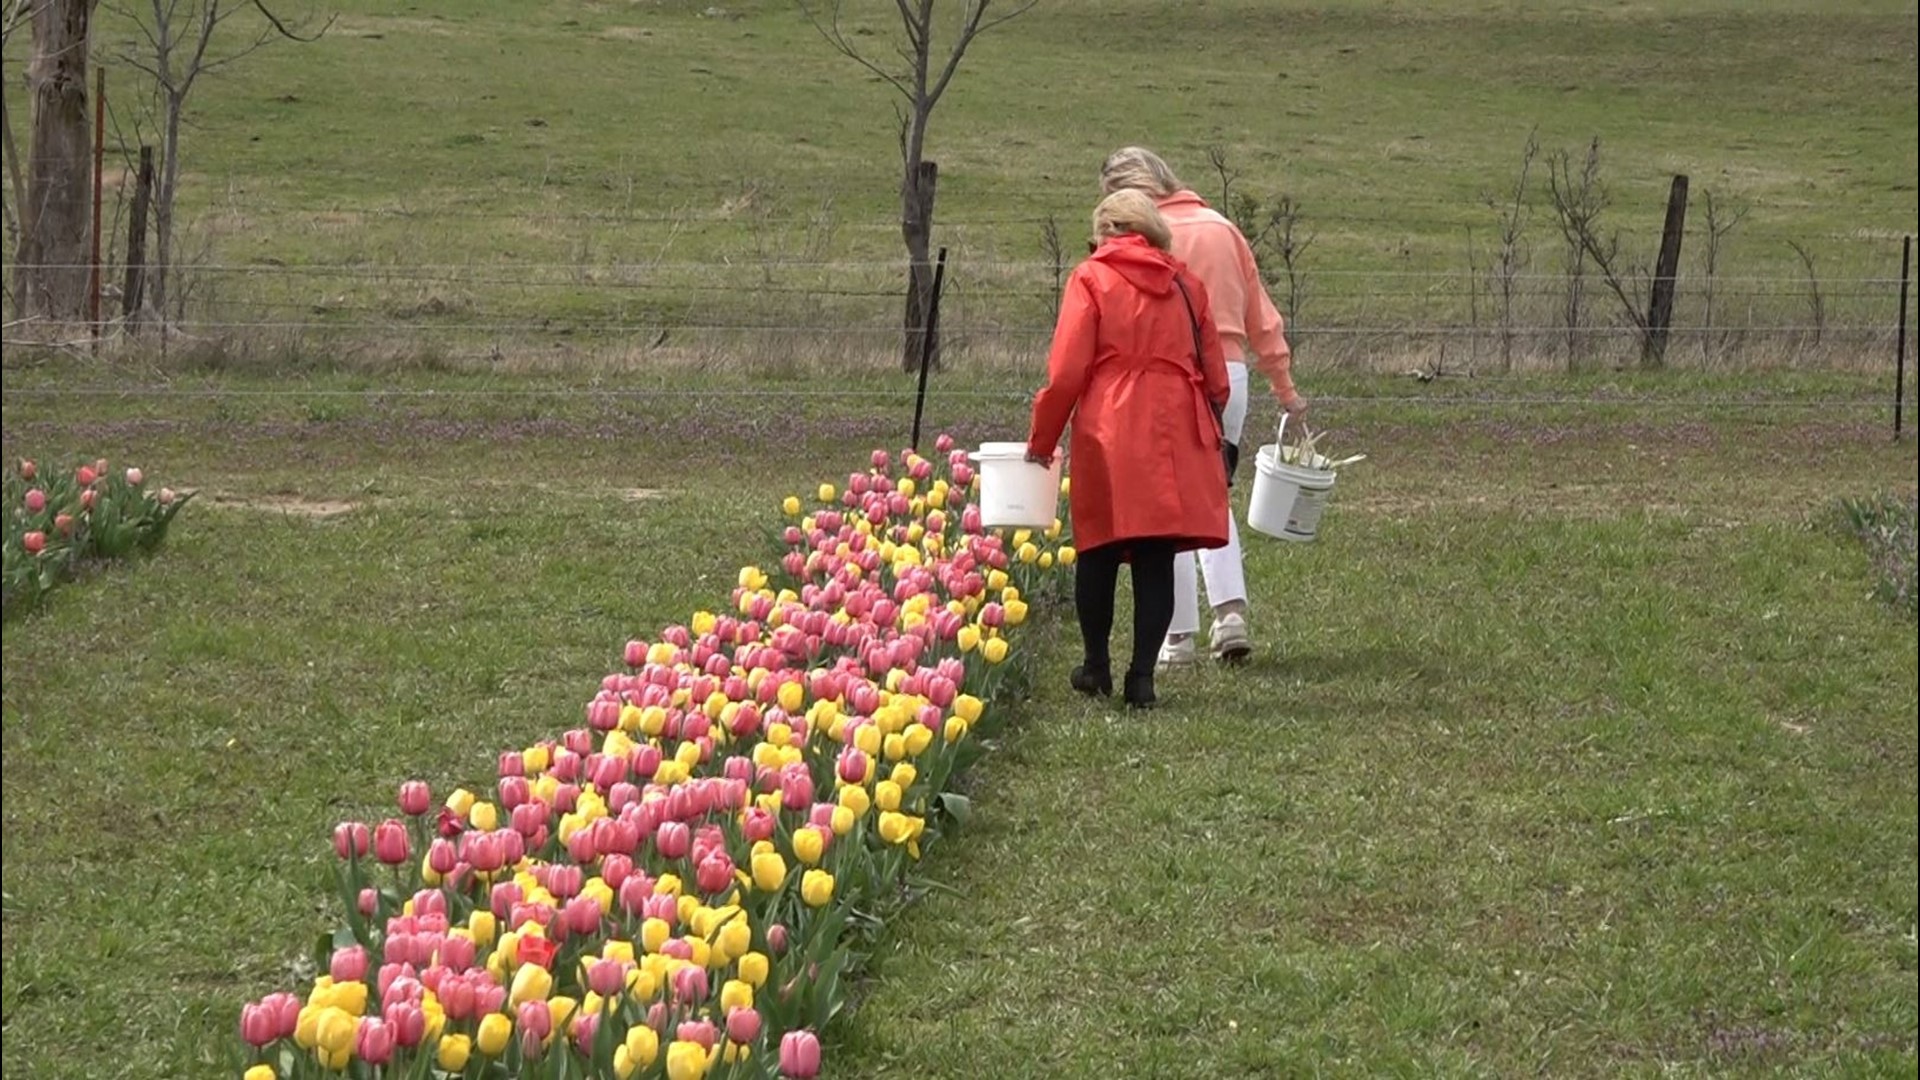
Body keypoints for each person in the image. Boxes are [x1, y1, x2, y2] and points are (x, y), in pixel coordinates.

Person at [1099, 146, 1309, 668]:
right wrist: (1286, 389)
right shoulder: (1224, 229)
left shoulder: (1142, 239)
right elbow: (1263, 318)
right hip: (1232, 376)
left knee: (1163, 508)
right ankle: (1230, 612)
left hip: (1169, 377)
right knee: (1211, 492)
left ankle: (1178, 635)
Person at [1025, 189, 1232, 709]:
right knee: (1155, 553)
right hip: (1175, 425)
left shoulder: (1091, 278)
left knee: (1096, 546)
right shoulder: (1187, 284)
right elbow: (1218, 378)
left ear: (1107, 230)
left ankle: (1097, 665)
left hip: (1109, 422)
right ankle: (1143, 677)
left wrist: (1042, 439)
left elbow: (1067, 370)